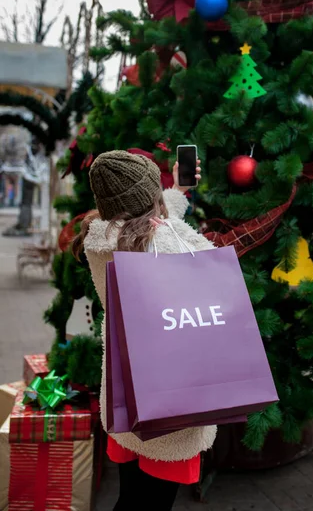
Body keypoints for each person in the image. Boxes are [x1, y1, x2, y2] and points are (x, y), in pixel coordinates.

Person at [73, 151, 217, 511]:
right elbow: (218, 276)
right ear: (149, 197)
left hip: (128, 390)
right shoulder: (167, 242)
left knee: (132, 495)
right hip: (171, 399)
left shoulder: (99, 236)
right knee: (153, 502)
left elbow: (142, 216)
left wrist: (177, 190)